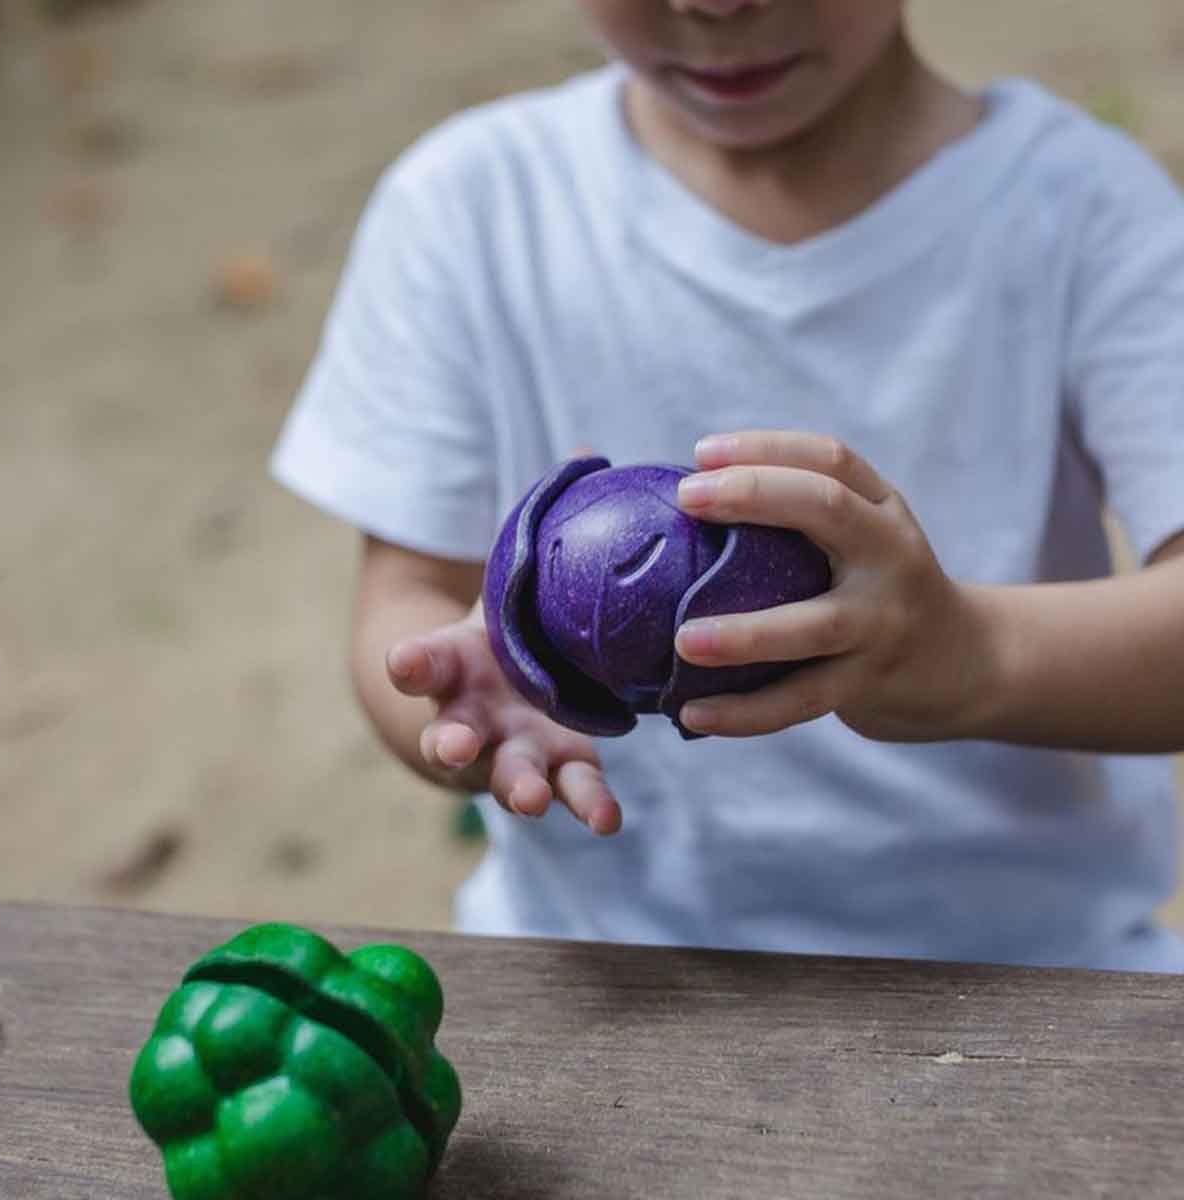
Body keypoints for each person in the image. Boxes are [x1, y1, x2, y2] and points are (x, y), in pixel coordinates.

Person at [270, 0, 1184, 971]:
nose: (714, 4)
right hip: (609, 978)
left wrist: (977, 657)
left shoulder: (1085, 214)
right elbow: (408, 597)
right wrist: (462, 707)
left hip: (1030, 981)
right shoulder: (470, 207)